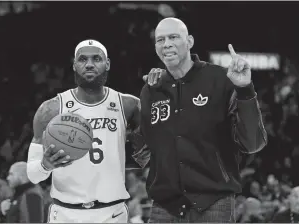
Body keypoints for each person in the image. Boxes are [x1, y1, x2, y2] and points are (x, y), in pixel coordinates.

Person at [138, 17, 268, 222]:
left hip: (213, 204)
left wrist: (244, 89)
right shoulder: (151, 90)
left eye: (173, 37)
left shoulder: (221, 79)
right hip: (165, 207)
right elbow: (145, 147)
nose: (167, 44)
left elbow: (253, 143)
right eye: (160, 40)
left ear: (189, 41)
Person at [26, 39, 145, 223]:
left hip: (112, 213)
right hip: (65, 214)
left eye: (96, 58)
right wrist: (45, 165)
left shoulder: (129, 106)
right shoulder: (51, 110)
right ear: (74, 65)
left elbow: (150, 154)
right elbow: (32, 175)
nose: (89, 64)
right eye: (82, 59)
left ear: (108, 64)